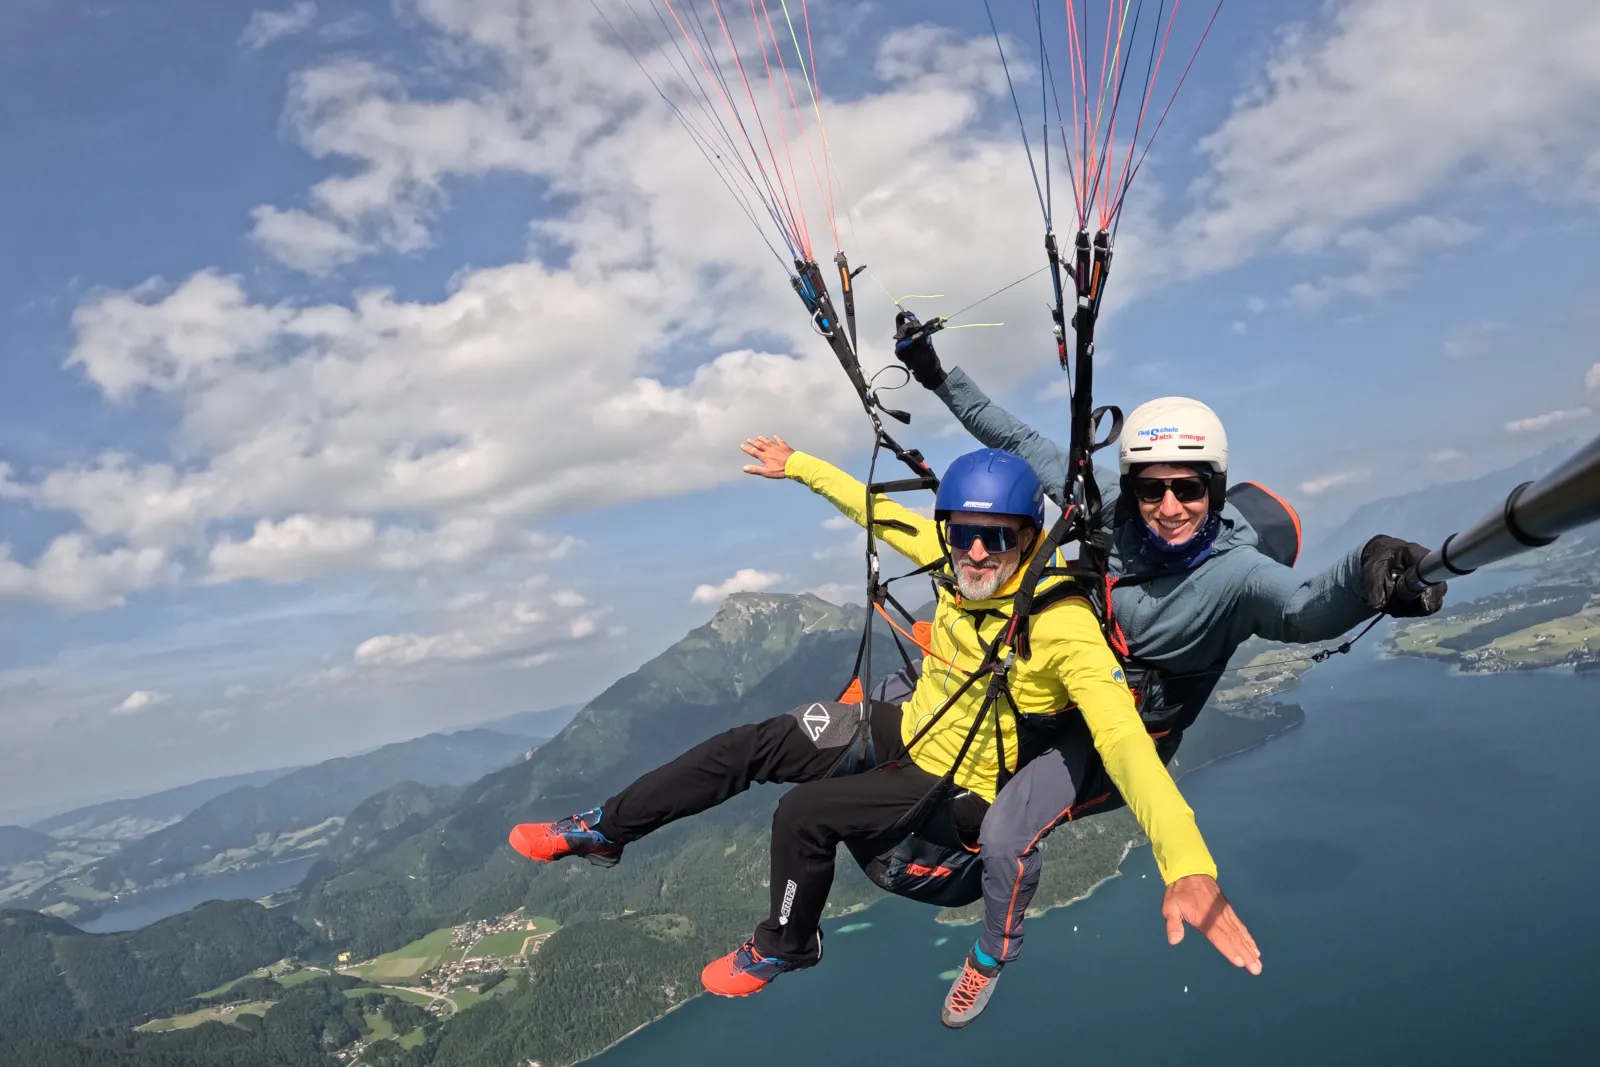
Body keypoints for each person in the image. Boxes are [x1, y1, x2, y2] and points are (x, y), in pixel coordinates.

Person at [509, 445, 1262, 1000]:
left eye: (996, 536)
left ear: (1029, 538)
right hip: (907, 723)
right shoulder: (951, 555)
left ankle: (787, 943)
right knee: (752, 742)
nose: (973, 550)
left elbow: (1125, 745)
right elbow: (876, 509)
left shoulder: (1062, 625)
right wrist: (800, 462)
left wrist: (1185, 861)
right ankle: (606, 828)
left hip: (958, 777)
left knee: (804, 813)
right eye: (962, 531)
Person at [891, 327, 1446, 1025]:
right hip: (1058, 685)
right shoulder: (1098, 509)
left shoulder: (1233, 577)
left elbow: (1303, 608)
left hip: (1114, 734)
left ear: (1213, 489)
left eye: (1189, 487)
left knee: (1005, 832)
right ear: (1133, 487)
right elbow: (1005, 430)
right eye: (1153, 488)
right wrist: (938, 374)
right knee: (907, 705)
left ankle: (991, 955)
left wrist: (1371, 568)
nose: (1171, 505)